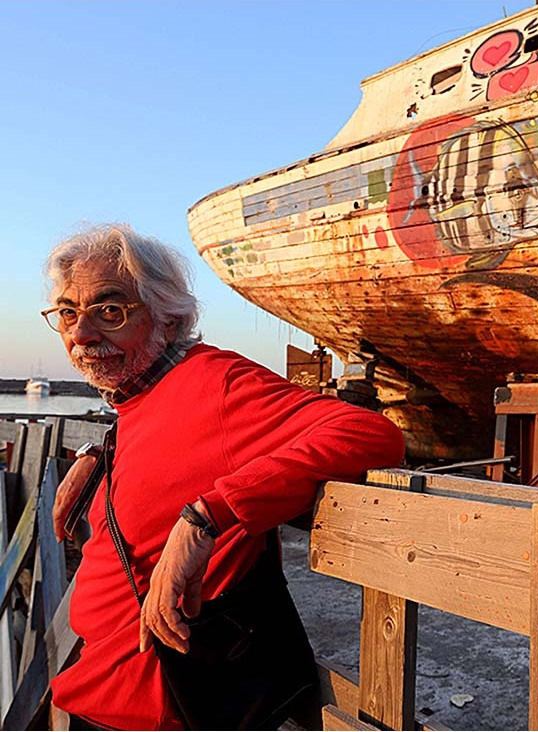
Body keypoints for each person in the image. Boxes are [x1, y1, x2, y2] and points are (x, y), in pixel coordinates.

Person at [43, 224, 405, 730]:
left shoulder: (217, 381)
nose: (80, 334)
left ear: (167, 317)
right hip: (90, 694)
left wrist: (207, 516)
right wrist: (99, 455)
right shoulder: (140, 397)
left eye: (110, 311)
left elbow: (371, 434)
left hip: (154, 712)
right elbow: (172, 446)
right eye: (67, 313)